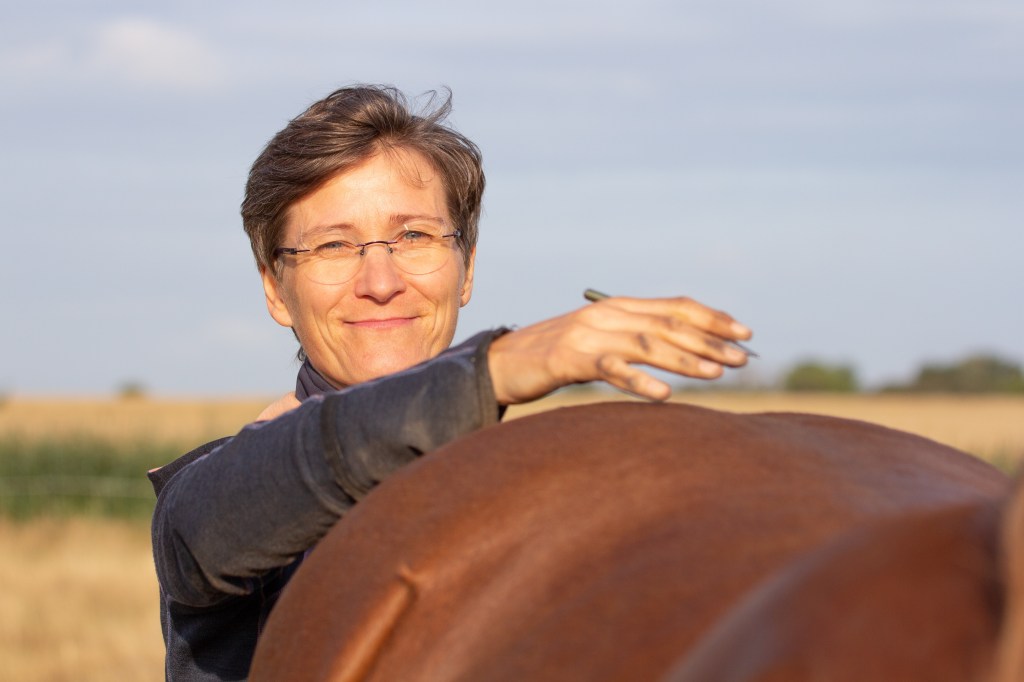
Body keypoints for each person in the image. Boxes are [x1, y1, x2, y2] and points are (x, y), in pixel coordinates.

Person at [150, 84, 753, 681]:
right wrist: (495, 368)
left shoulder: (538, 491)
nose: (380, 281)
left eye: (414, 236)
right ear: (275, 289)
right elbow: (246, 500)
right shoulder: (220, 494)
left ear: (466, 270)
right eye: (333, 245)